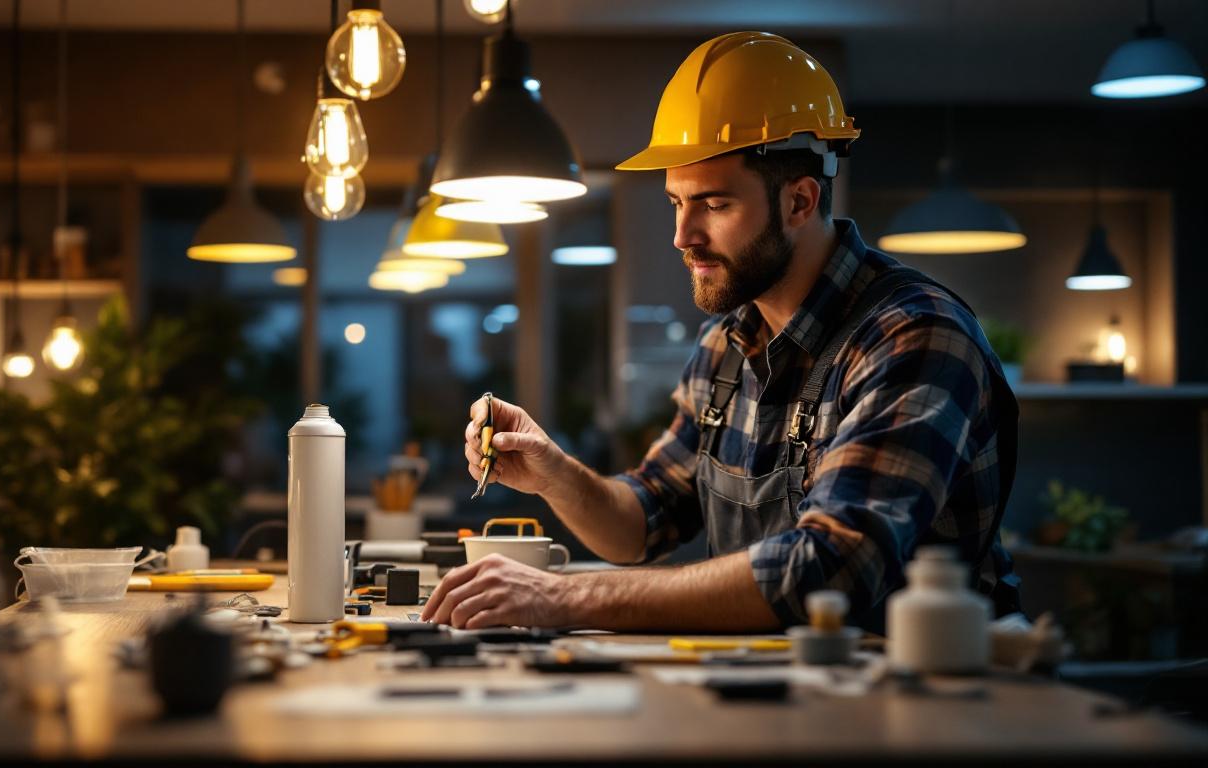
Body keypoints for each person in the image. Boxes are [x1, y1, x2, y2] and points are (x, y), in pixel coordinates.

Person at [422, 32, 1020, 633]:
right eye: (676, 203)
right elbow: (643, 521)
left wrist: (564, 597)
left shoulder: (913, 337)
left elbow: (833, 566)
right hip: (769, 698)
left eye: (713, 204)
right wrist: (553, 472)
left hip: (911, 709)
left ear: (800, 202)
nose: (683, 236)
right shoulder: (725, 348)